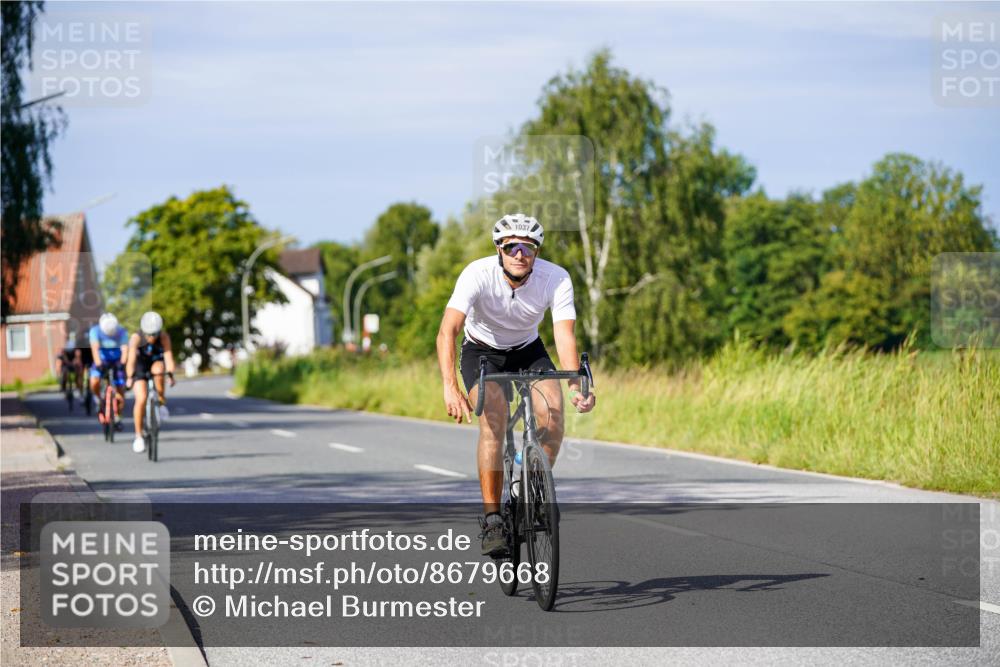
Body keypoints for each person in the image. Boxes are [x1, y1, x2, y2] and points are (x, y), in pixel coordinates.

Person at [436, 213, 596, 556]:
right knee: (493, 419)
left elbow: (563, 334)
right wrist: (450, 385)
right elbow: (447, 330)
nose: (520, 254)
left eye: (528, 247)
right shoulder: (476, 274)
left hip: (528, 350)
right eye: (512, 247)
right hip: (481, 351)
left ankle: (531, 490)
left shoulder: (556, 278)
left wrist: (573, 386)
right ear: (499, 249)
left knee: (552, 415)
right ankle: (493, 520)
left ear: (537, 251)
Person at [125, 311, 176, 454]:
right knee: (141, 398)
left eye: (155, 334)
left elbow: (168, 357)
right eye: (149, 334)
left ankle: (161, 402)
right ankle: (138, 436)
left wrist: (171, 374)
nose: (152, 337)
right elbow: (131, 361)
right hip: (140, 365)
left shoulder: (164, 337)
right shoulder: (136, 338)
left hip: (155, 362)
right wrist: (129, 377)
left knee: (160, 370)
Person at [89, 313, 129, 427]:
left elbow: (125, 349)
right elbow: (95, 349)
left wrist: (123, 362)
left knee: (120, 390)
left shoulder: (122, 332)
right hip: (102, 360)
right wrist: (98, 364)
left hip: (117, 360)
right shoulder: (95, 331)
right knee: (94, 380)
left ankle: (117, 416)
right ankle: (98, 398)